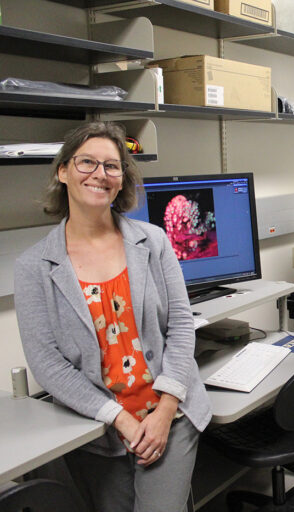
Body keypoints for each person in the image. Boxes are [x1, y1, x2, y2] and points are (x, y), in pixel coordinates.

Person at [14, 121, 212, 512]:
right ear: (63, 170)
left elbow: (181, 325)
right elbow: (48, 364)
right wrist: (119, 418)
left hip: (170, 417)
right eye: (87, 162)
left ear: (122, 179)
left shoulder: (151, 241)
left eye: (112, 166)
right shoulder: (33, 266)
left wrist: (165, 411)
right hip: (97, 429)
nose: (100, 175)